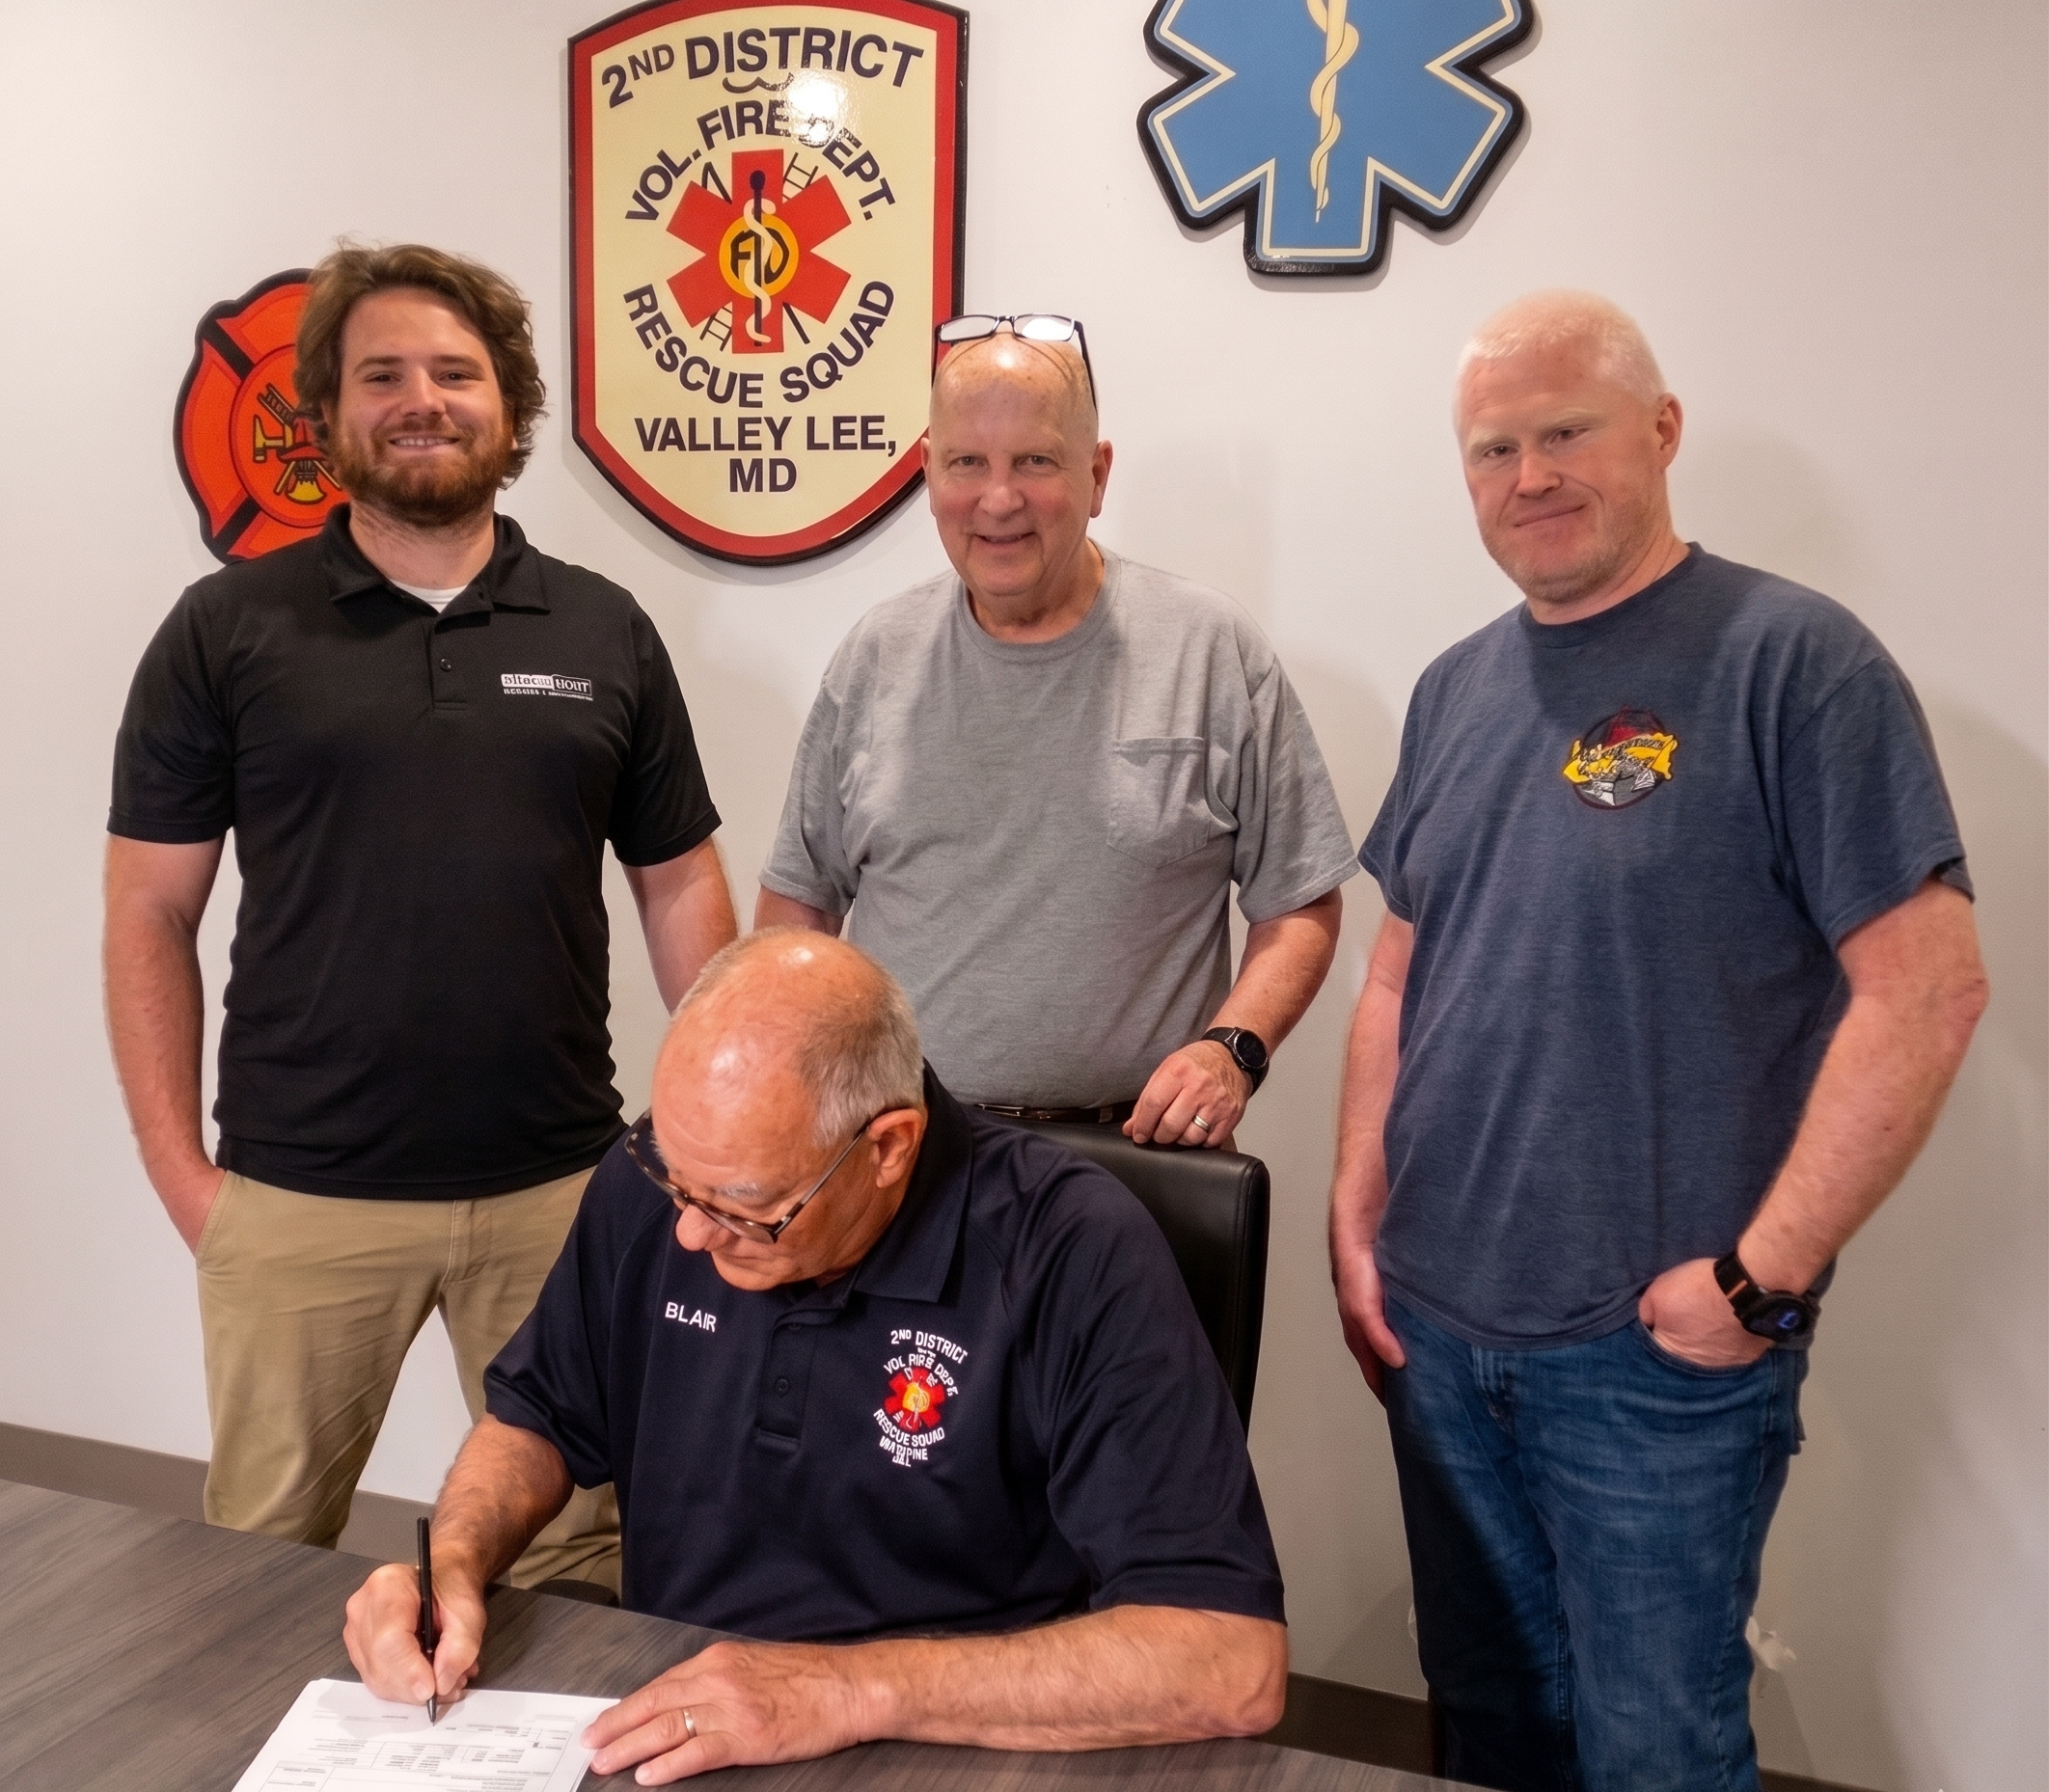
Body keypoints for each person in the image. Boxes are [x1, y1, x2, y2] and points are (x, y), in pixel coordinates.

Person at [1327, 290, 1988, 1792]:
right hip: (1437, 1331)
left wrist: (1760, 1277)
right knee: (1489, 1729)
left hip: (1651, 1359)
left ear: (1663, 430)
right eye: (1494, 447)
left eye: (1568, 431)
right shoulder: (1456, 687)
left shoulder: (1793, 663)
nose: (1531, 475)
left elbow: (1931, 988)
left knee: (1656, 1753)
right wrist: (1353, 1208)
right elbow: (1394, 976)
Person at [105, 243, 737, 1589]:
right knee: (261, 1561)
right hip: (298, 1194)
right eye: (379, 374)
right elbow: (149, 914)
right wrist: (184, 1180)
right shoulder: (226, 629)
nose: (421, 400)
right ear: (324, 417)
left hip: (561, 1190)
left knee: (578, 1554)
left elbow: (680, 882)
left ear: (507, 405)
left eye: (456, 373)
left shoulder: (603, 628)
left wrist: (722, 1140)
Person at [342, 932, 1289, 1783]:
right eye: (674, 1176)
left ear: (887, 1147)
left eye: (745, 1209)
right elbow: (537, 1416)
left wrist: (845, 1691)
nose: (689, 1233)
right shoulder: (668, 1185)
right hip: (685, 1721)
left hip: (958, 1747)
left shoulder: (1070, 1247)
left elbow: (1228, 1662)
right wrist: (458, 1557)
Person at [757, 315, 1356, 1149]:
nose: (998, 500)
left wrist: (1232, 1052)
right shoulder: (873, 657)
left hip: (1141, 1163)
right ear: (928, 471)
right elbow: (799, 905)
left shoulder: (1211, 650)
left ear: (1098, 474)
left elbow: (1301, 905)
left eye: (1035, 461)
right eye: (968, 463)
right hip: (905, 1159)